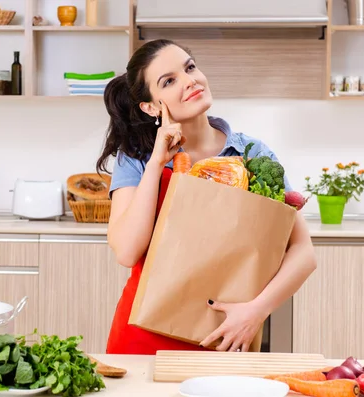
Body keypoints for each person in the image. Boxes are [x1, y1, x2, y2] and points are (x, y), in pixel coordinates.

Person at [95, 39, 317, 355]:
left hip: (226, 335)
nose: (190, 81)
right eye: (169, 81)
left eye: (190, 67)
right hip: (143, 337)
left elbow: (303, 253)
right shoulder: (137, 158)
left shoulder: (252, 155)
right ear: (150, 106)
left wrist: (256, 312)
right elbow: (128, 252)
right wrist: (158, 161)